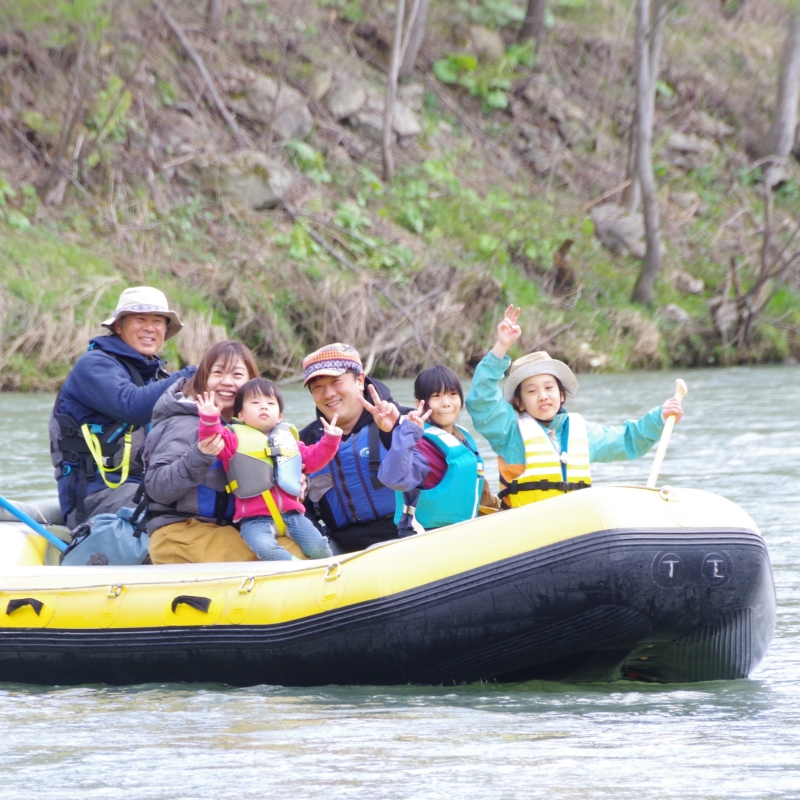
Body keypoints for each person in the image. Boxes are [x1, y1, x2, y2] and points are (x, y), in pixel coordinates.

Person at [466, 305, 684, 507]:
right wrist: (501, 347)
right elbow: (481, 401)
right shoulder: (509, 433)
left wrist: (660, 418)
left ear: (561, 395)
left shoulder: (581, 432)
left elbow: (628, 440)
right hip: (526, 531)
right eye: (532, 391)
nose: (543, 396)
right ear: (519, 402)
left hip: (573, 530)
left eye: (549, 388)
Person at [49, 286, 195, 528]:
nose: (150, 327)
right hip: (96, 496)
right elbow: (132, 406)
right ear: (119, 326)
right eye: (140, 319)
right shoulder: (94, 365)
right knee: (178, 515)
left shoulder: (157, 377)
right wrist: (192, 374)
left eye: (158, 321)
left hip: (148, 486)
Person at [143, 341, 263, 563]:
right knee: (275, 557)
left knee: (291, 545)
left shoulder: (252, 428)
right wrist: (199, 455)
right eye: (218, 373)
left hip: (229, 530)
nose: (227, 382)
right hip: (180, 534)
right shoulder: (184, 423)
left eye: (237, 375)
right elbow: (157, 488)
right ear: (203, 378)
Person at [196, 379, 341, 561]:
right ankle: (292, 567)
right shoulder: (232, 441)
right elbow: (211, 436)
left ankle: (329, 570)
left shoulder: (290, 441)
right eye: (255, 403)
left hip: (292, 516)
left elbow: (314, 459)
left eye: (270, 403)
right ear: (241, 415)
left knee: (319, 546)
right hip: (255, 520)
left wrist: (331, 439)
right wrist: (209, 418)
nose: (263, 407)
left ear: (280, 416)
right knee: (265, 549)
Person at [299, 343, 413, 554]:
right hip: (342, 549)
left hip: (407, 536)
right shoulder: (304, 442)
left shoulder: (406, 420)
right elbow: (300, 509)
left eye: (336, 381)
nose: (328, 393)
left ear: (360, 380)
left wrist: (397, 431)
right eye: (317, 387)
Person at [378, 365, 500, 536]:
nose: (446, 403)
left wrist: (502, 511)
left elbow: (477, 487)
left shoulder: (463, 439)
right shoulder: (420, 445)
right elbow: (394, 479)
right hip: (424, 535)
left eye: (453, 394)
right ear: (420, 404)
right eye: (436, 396)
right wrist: (406, 434)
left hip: (461, 532)